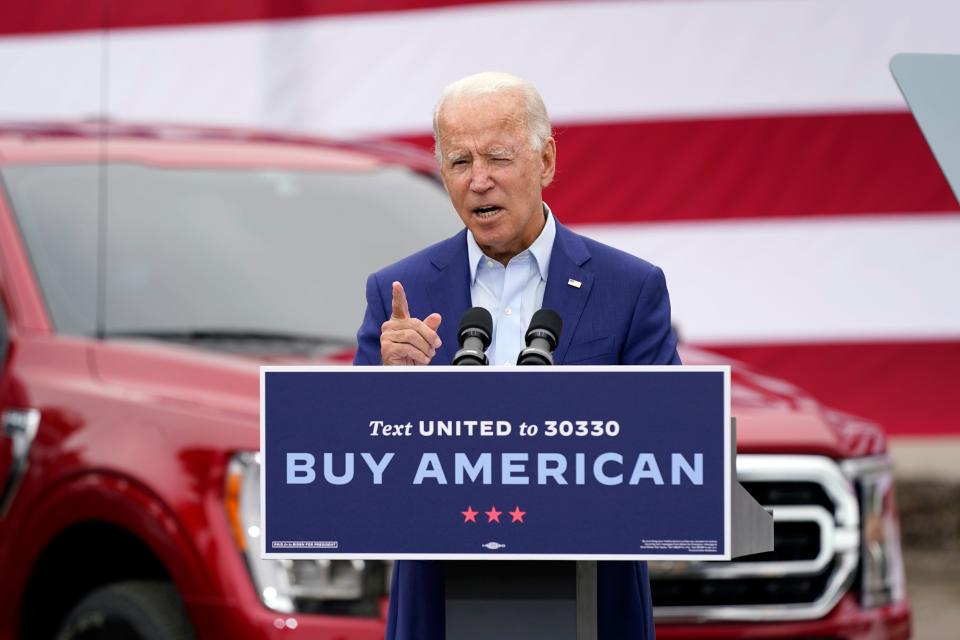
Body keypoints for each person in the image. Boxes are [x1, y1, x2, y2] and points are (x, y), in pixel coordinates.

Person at [354, 71, 679, 640]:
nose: (479, 181)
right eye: (459, 162)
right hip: (440, 599)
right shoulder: (399, 292)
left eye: (497, 158)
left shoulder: (629, 288)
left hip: (592, 602)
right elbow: (353, 463)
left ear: (546, 161)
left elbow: (671, 445)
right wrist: (389, 383)